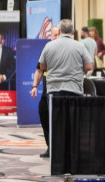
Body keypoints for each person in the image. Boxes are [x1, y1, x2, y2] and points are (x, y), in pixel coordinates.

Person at [31, 20, 94, 156]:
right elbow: (89, 66)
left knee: (56, 124)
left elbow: (41, 67)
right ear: (73, 32)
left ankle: (56, 156)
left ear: (59, 31)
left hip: (54, 91)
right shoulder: (80, 46)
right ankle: (73, 155)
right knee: (73, 124)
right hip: (74, 90)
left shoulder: (49, 46)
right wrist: (78, 70)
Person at [36, 24, 61, 157]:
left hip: (61, 92)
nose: (56, 37)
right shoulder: (46, 50)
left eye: (58, 35)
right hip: (47, 92)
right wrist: (34, 86)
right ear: (50, 36)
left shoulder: (66, 50)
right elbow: (39, 70)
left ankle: (59, 149)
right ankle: (50, 146)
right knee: (43, 113)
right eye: (54, 35)